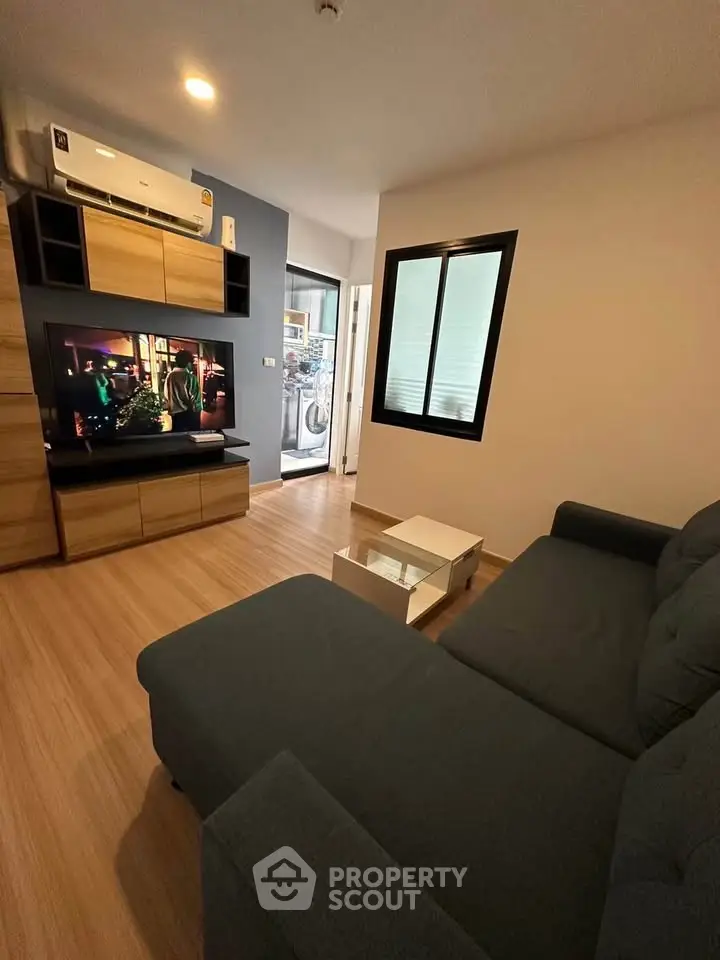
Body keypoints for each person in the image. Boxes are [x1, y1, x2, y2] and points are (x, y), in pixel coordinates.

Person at [163, 350, 202, 432]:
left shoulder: (169, 376)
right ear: (188, 363)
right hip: (189, 413)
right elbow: (196, 400)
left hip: (175, 414)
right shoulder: (190, 377)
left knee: (178, 438)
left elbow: (166, 396)